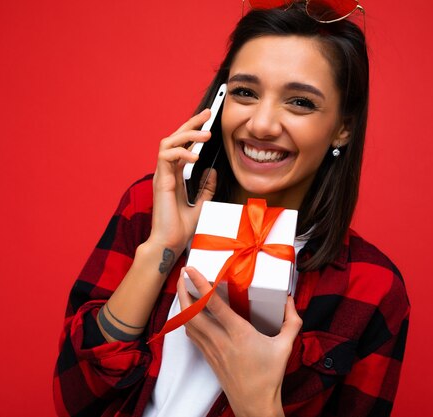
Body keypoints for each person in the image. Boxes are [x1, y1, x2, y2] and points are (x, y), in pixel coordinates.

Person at [53, 2, 410, 416]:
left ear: (343, 126)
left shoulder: (372, 288)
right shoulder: (150, 208)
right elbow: (73, 401)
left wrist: (257, 401)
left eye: (299, 102)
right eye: (245, 92)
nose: (261, 124)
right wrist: (161, 249)